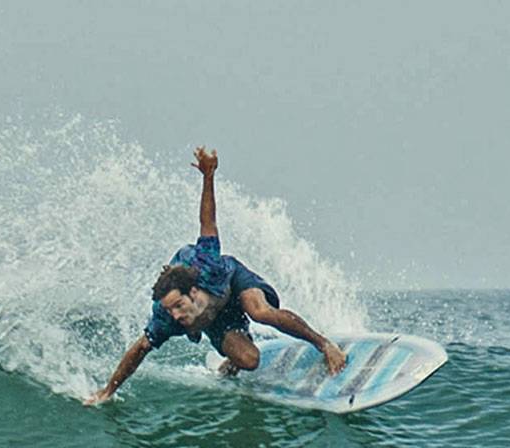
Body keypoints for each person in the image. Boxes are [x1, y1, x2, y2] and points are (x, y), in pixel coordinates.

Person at [86, 148, 347, 405]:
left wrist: (208, 175)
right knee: (249, 361)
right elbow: (139, 348)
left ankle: (323, 344)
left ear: (194, 292)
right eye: (171, 309)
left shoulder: (206, 265)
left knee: (260, 312)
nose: (175, 315)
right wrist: (108, 390)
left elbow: (207, 223)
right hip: (218, 317)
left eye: (179, 305)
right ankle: (232, 354)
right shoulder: (166, 318)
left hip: (233, 282)